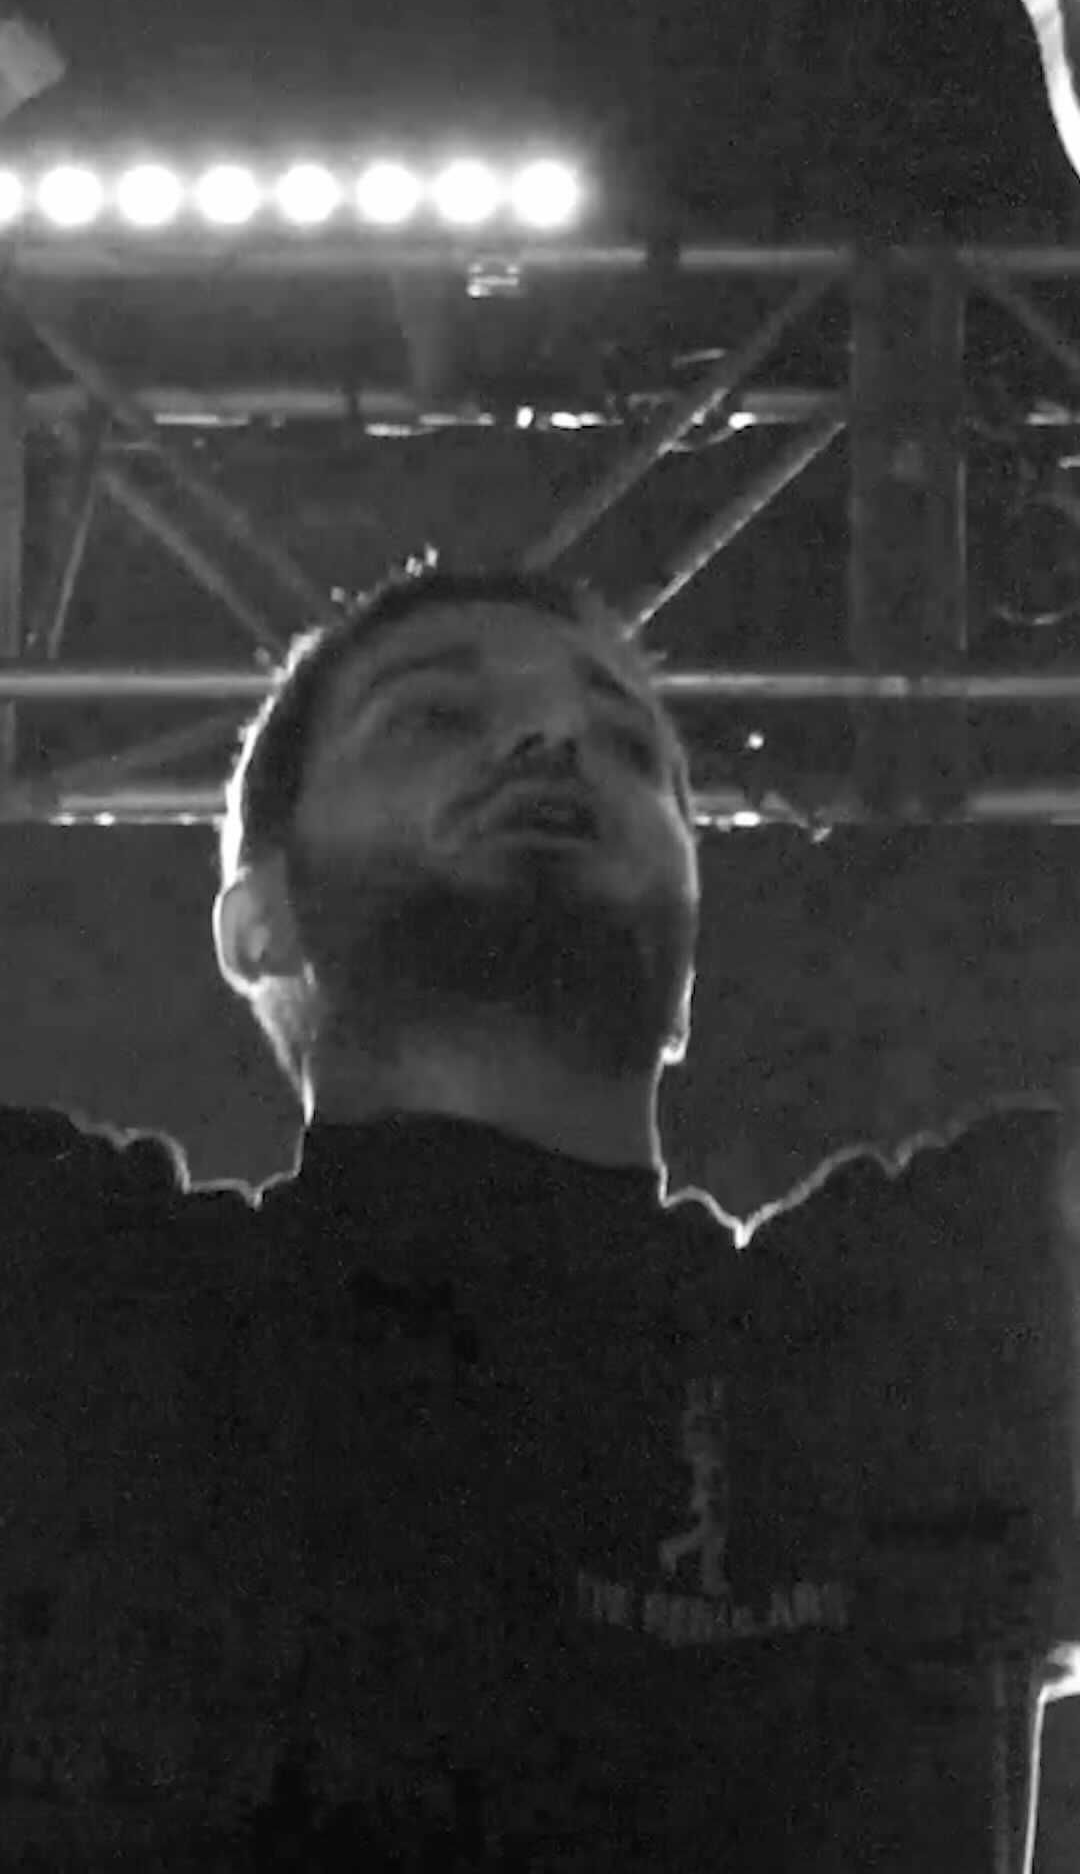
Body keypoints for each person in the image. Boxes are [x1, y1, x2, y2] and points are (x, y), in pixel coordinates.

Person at [0, 559, 1074, 1872]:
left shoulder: (930, 1331)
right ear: (260, 923)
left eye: (625, 744)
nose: (552, 740)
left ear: (688, 969)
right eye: (434, 715)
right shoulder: (78, 1305)